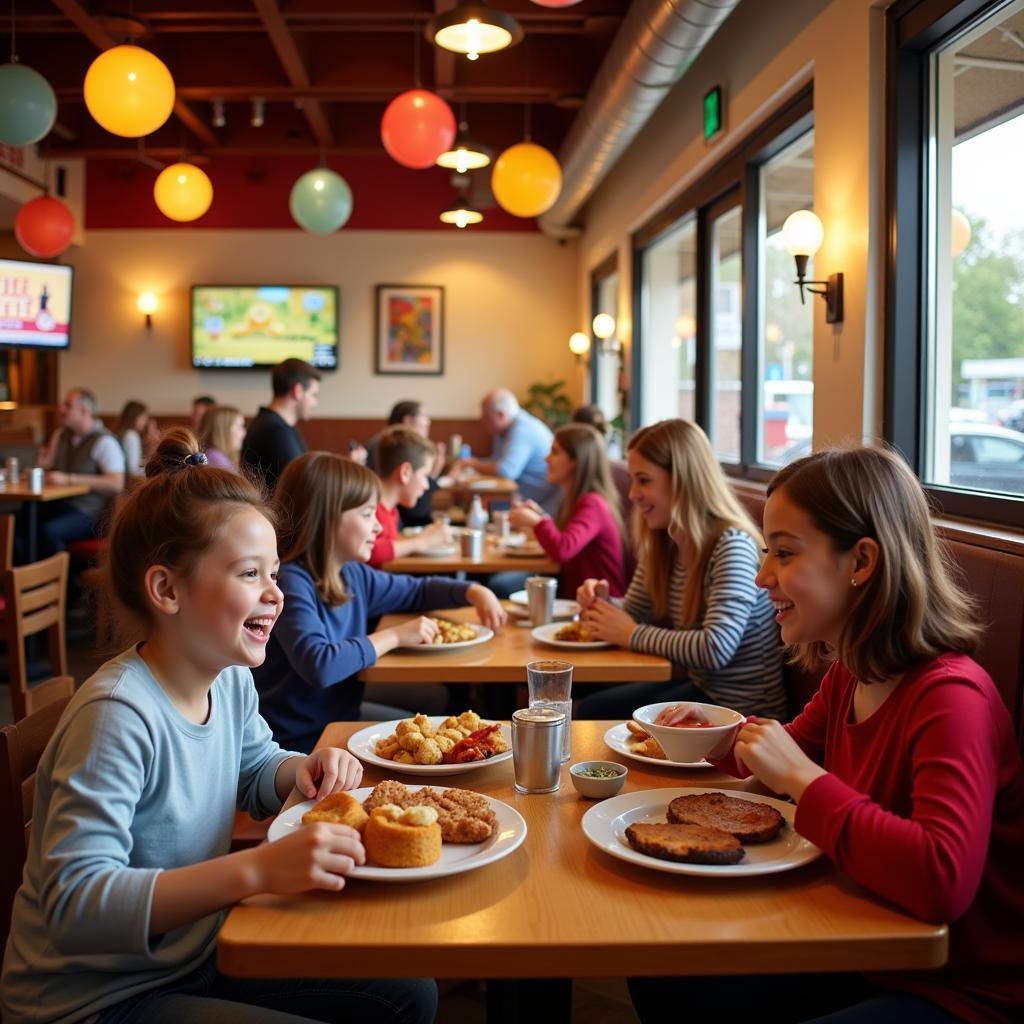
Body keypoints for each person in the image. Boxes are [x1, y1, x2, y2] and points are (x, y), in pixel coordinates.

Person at [0, 429, 436, 1024]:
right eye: (250, 574)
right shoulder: (117, 716)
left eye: (275, 574)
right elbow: (75, 905)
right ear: (167, 589)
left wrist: (298, 769)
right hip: (96, 999)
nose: (276, 595)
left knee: (410, 992)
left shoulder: (226, 676)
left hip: (192, 950)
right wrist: (255, 869)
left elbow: (254, 768)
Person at [630, 446, 1024, 1024]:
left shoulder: (951, 698)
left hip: (959, 990)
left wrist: (800, 779)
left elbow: (942, 879)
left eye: (784, 553)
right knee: (663, 976)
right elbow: (790, 748)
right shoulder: (850, 673)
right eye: (767, 551)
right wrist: (719, 737)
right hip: (859, 942)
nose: (764, 575)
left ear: (861, 561)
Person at [253, 452, 506, 753]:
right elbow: (319, 664)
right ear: (327, 518)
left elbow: (417, 591)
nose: (377, 527)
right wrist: (396, 635)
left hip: (338, 719)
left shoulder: (352, 574)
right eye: (366, 514)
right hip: (297, 743)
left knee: (436, 726)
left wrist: (474, 591)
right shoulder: (292, 582)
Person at [575, 418, 786, 720]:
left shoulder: (731, 545)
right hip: (701, 691)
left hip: (743, 712)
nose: (633, 493)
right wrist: (604, 603)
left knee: (594, 710)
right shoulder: (665, 539)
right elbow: (633, 612)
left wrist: (632, 633)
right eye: (633, 480)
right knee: (592, 707)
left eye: (644, 480)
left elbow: (716, 647)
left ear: (684, 481)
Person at [508, 423, 627, 599]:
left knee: (502, 585)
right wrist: (540, 517)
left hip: (601, 603)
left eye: (555, 452)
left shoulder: (593, 503)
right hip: (578, 597)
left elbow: (563, 549)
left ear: (576, 461)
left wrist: (537, 521)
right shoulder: (575, 499)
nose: (546, 459)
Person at [36, 388, 126, 556]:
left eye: (68, 405)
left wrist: (70, 479)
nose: (61, 409)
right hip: (59, 504)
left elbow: (116, 483)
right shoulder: (60, 435)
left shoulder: (104, 441)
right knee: (20, 521)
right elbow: (47, 465)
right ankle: (23, 577)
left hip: (90, 514)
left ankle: (62, 581)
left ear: (84, 411)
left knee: (48, 530)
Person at [454, 388, 561, 515]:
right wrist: (471, 463)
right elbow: (496, 461)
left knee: (480, 503)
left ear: (500, 415)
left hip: (542, 502)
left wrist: (474, 464)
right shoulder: (504, 431)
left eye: (486, 417)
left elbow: (505, 471)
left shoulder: (522, 429)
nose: (482, 421)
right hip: (521, 495)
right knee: (477, 501)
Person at [368, 427, 453, 568]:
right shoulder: (369, 509)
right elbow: (370, 551)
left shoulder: (391, 510)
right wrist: (421, 542)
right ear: (405, 472)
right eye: (425, 475)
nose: (426, 485)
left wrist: (425, 537)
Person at [240, 359, 320, 491]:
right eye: (314, 395)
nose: (315, 404)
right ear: (298, 391)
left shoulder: (273, 425)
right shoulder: (275, 431)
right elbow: (304, 486)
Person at [366, 401, 446, 528]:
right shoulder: (382, 445)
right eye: (424, 416)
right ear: (408, 420)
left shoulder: (391, 512)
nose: (428, 422)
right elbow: (417, 513)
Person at [197, 404, 246, 472]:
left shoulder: (215, 455)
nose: (244, 432)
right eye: (239, 427)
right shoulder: (214, 457)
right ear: (223, 430)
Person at [114, 399, 149, 479]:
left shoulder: (121, 432)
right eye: (144, 417)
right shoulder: (131, 436)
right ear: (136, 418)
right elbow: (132, 471)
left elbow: (127, 460)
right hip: (127, 483)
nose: (145, 422)